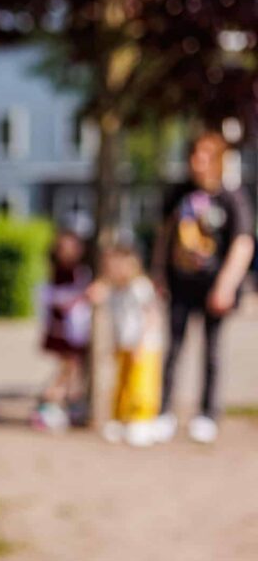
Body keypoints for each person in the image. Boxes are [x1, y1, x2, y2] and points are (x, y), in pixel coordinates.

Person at [151, 130, 255, 444]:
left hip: (213, 286)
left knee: (212, 351)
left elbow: (242, 243)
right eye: (195, 154)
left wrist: (226, 285)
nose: (198, 161)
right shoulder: (178, 193)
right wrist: (158, 274)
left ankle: (208, 414)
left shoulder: (231, 197)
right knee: (173, 349)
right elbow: (164, 236)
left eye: (206, 155)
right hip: (180, 284)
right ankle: (164, 412)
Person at [89, 245, 163, 447]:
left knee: (141, 384)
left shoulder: (140, 287)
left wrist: (141, 343)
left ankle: (142, 420)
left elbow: (151, 316)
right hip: (124, 343)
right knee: (122, 384)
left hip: (144, 345)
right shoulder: (114, 291)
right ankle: (121, 418)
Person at [33, 230, 92, 431]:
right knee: (68, 366)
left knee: (72, 367)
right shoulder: (56, 274)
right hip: (63, 329)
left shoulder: (79, 271)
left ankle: (63, 400)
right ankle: (50, 398)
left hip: (75, 329)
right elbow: (52, 298)